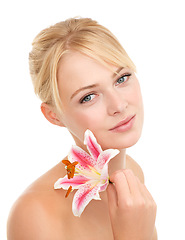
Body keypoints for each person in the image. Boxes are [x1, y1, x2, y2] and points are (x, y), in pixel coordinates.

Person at [7, 17, 157, 239]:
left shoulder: (131, 172)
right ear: (53, 116)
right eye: (88, 97)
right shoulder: (34, 215)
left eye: (122, 78)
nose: (119, 105)